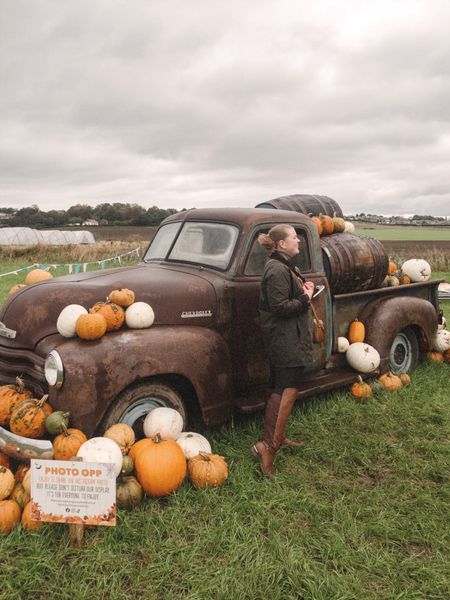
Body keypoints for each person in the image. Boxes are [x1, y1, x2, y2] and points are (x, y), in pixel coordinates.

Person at [251, 224, 315, 478]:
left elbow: (286, 297)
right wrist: (305, 299)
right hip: (285, 338)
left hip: (287, 336)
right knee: (286, 388)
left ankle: (278, 435)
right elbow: (279, 307)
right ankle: (267, 447)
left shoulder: (284, 265)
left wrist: (303, 289)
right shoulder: (277, 269)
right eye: (293, 237)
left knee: (281, 386)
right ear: (281, 244)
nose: (298, 240)